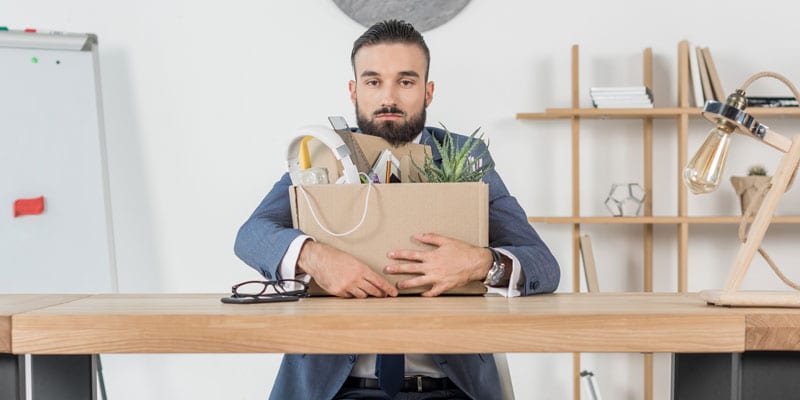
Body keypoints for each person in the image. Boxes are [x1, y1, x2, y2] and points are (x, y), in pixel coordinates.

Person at [234, 19, 559, 400]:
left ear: (428, 91)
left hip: (449, 388)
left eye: (406, 82)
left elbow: (543, 264)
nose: (389, 97)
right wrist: (314, 256)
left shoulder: (466, 157)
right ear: (354, 91)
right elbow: (252, 235)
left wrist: (479, 264)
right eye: (373, 82)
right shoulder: (322, 153)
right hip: (335, 388)